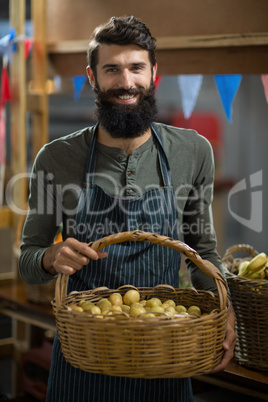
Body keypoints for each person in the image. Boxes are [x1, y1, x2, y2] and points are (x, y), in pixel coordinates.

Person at [19, 15, 236, 402]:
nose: (126, 82)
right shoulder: (56, 158)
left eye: (137, 67)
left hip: (167, 356)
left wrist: (225, 309)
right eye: (112, 69)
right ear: (92, 76)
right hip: (83, 361)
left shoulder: (192, 151)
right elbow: (28, 262)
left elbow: (202, 253)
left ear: (154, 72)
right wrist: (50, 256)